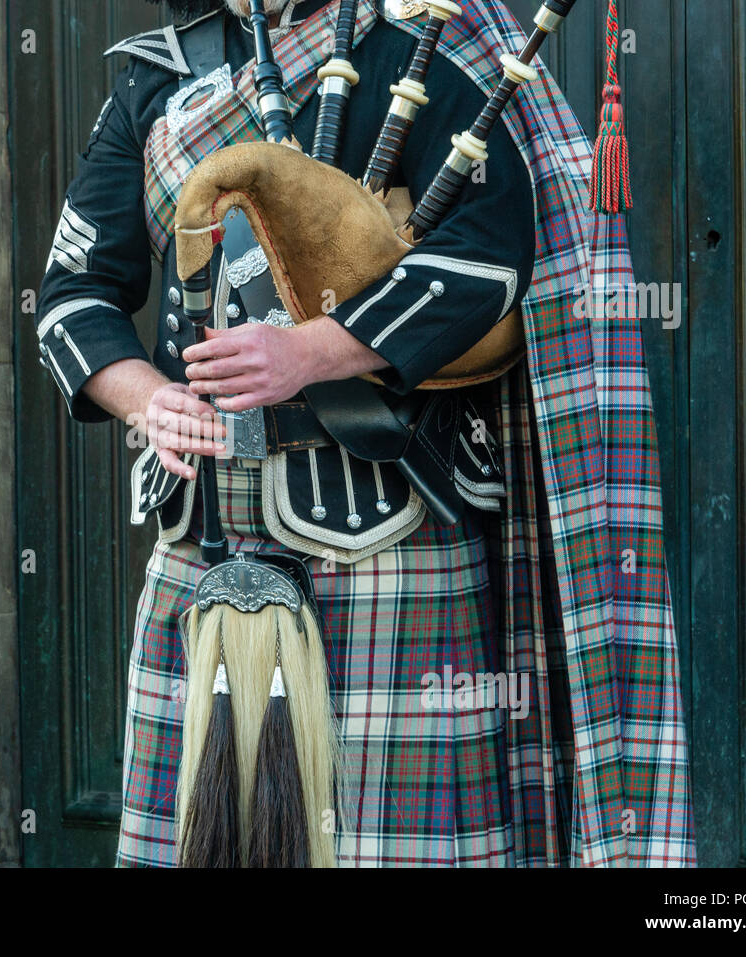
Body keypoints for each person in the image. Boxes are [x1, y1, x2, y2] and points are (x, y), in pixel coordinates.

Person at [35, 0, 695, 867]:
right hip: (202, 538)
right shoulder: (156, 78)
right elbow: (74, 293)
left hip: (392, 529)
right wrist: (149, 401)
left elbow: (491, 259)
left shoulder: (423, 48)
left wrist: (307, 353)